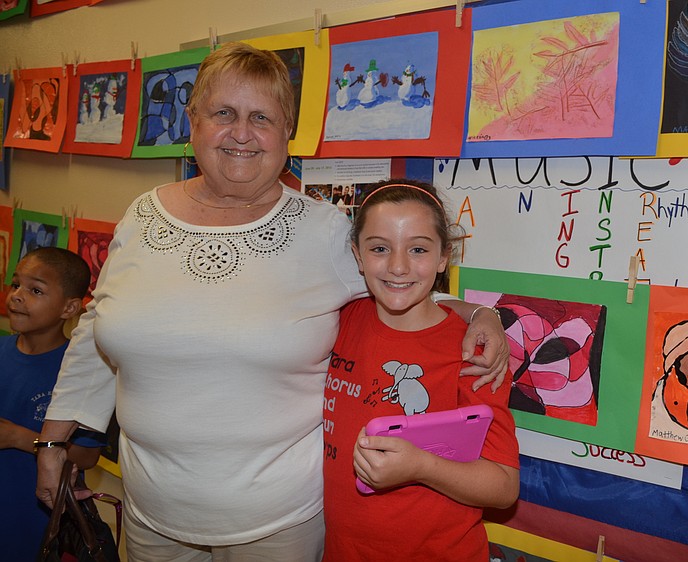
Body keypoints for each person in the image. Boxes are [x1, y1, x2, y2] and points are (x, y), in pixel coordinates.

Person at [35, 42, 508, 561]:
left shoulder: (326, 231)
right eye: (224, 113)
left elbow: (401, 279)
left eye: (262, 117)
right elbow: (101, 326)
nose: (242, 132)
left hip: (278, 522)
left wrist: (481, 314)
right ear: (193, 121)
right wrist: (54, 442)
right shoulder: (143, 215)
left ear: (287, 134)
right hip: (152, 511)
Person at [322, 180, 520, 561]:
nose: (398, 266)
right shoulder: (340, 319)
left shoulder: (473, 351)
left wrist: (421, 466)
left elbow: (504, 486)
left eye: (418, 249)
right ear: (357, 255)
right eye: (380, 248)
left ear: (445, 256)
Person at [0, 247, 104, 561]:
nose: (17, 296)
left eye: (35, 290)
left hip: (36, 518)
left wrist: (20, 438)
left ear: (69, 307)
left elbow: (86, 456)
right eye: (15, 284)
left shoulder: (80, 370)